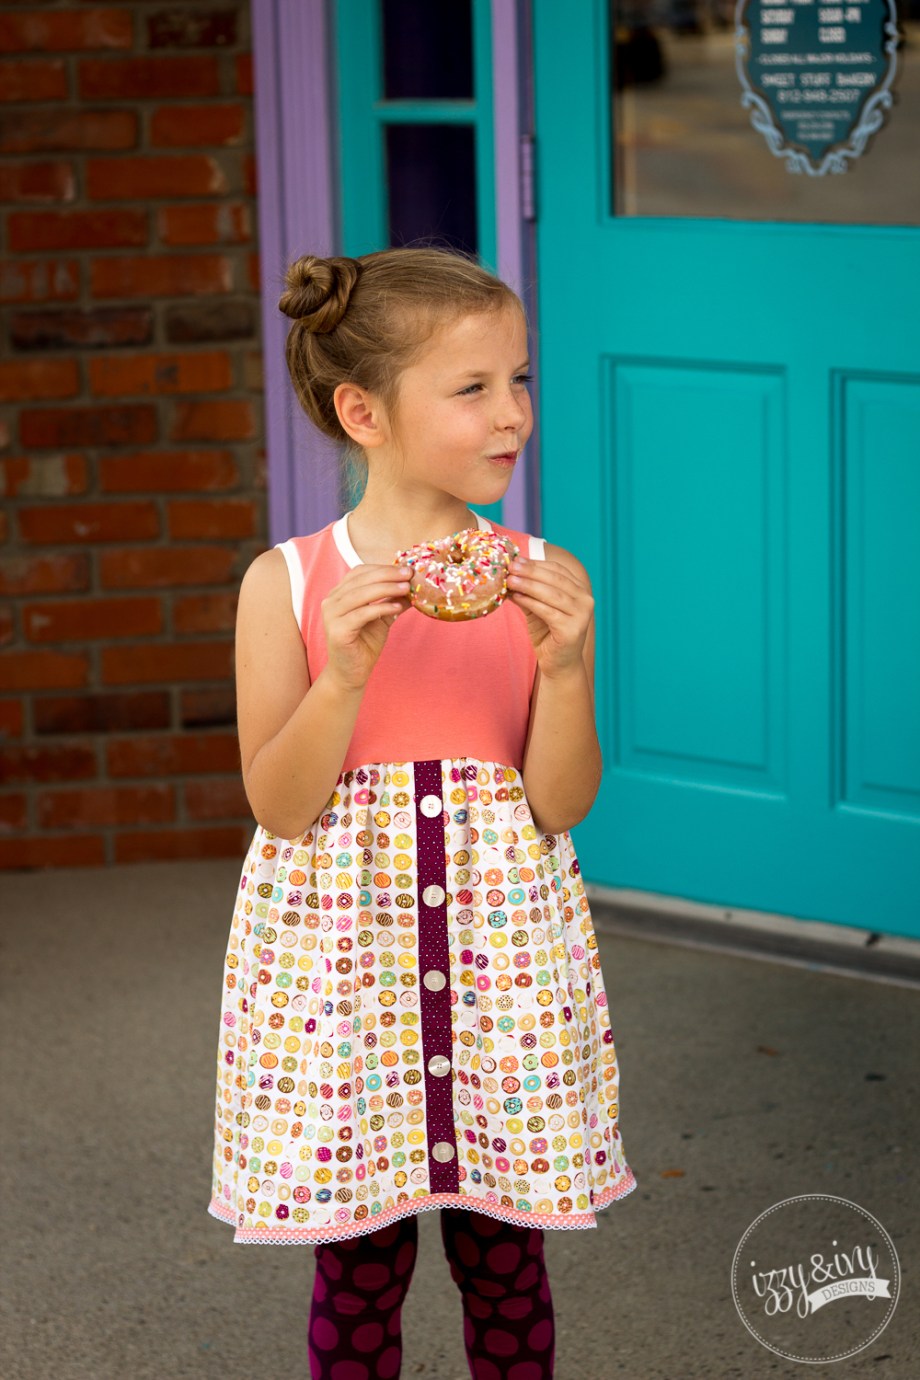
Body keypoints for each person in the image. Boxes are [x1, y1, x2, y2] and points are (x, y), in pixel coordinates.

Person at [207, 246, 637, 1378]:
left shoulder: (544, 576)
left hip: (502, 987)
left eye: (521, 381)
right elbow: (281, 806)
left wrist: (570, 667)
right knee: (358, 1270)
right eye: (473, 388)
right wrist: (342, 676)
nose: (513, 416)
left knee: (505, 1262)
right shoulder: (288, 586)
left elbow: (558, 802)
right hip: (345, 989)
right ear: (364, 411)